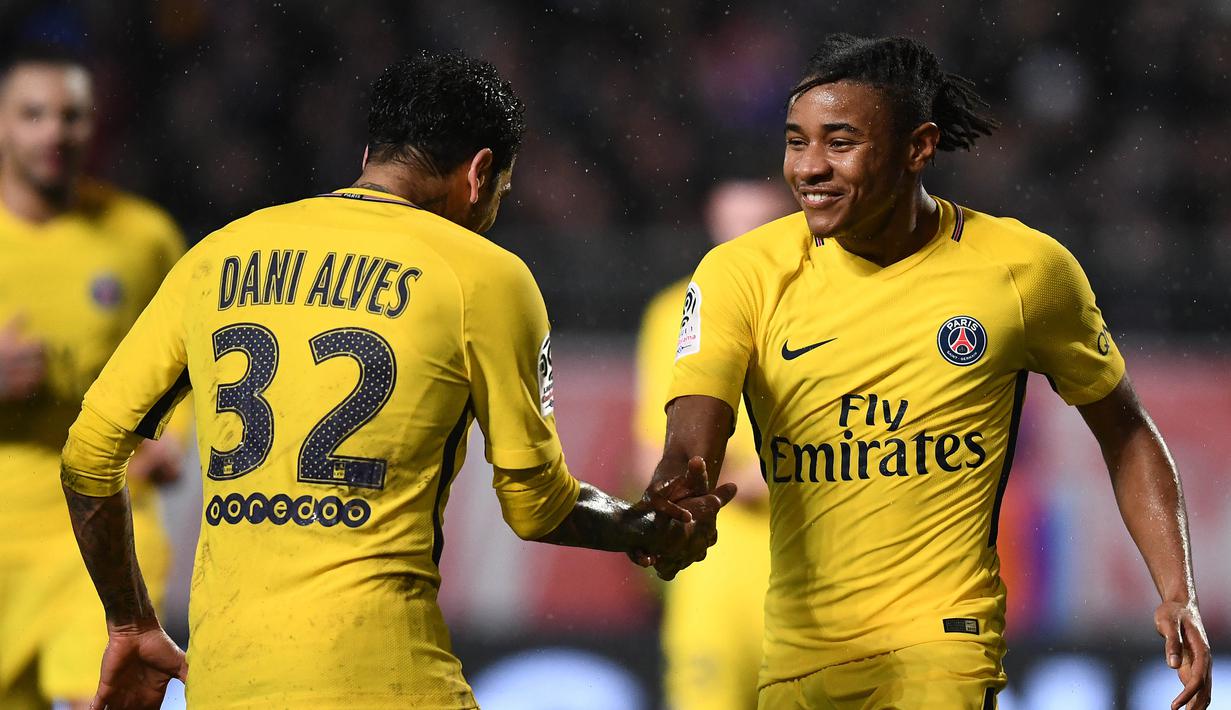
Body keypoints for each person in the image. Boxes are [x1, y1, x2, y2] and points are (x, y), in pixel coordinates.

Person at [58, 49, 734, 710]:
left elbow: (89, 456)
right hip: (385, 676)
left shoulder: (219, 255)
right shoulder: (484, 276)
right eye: (500, 189)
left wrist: (131, 623)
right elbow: (536, 506)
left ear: (368, 157)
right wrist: (641, 528)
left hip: (226, 682)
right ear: (479, 173)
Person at [640, 34, 1211, 710]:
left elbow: (1125, 432)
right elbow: (689, 441)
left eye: (840, 142)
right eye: (797, 143)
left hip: (943, 645)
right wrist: (675, 499)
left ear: (918, 147)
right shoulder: (741, 273)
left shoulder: (1022, 271)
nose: (810, 168)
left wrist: (1177, 590)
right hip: (798, 654)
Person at [0, 45, 186, 710]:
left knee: (105, 699)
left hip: (102, 526)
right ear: (1, 124)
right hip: (4, 527)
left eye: (72, 115)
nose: (55, 130)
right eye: (34, 114)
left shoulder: (142, 238)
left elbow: (186, 357)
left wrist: (173, 438)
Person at [635, 180, 794, 710]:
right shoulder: (674, 311)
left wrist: (741, 477)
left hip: (805, 565)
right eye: (729, 230)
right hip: (709, 572)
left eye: (756, 228)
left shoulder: (830, 308)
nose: (740, 244)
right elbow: (653, 459)